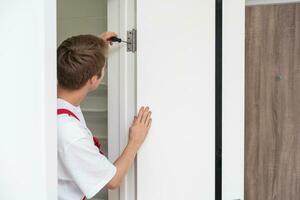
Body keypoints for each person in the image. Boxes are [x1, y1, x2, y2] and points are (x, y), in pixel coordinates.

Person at [57, 32, 152, 200]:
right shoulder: (71, 133)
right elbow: (113, 181)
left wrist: (94, 49)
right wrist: (134, 141)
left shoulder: (45, 100)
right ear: (93, 80)